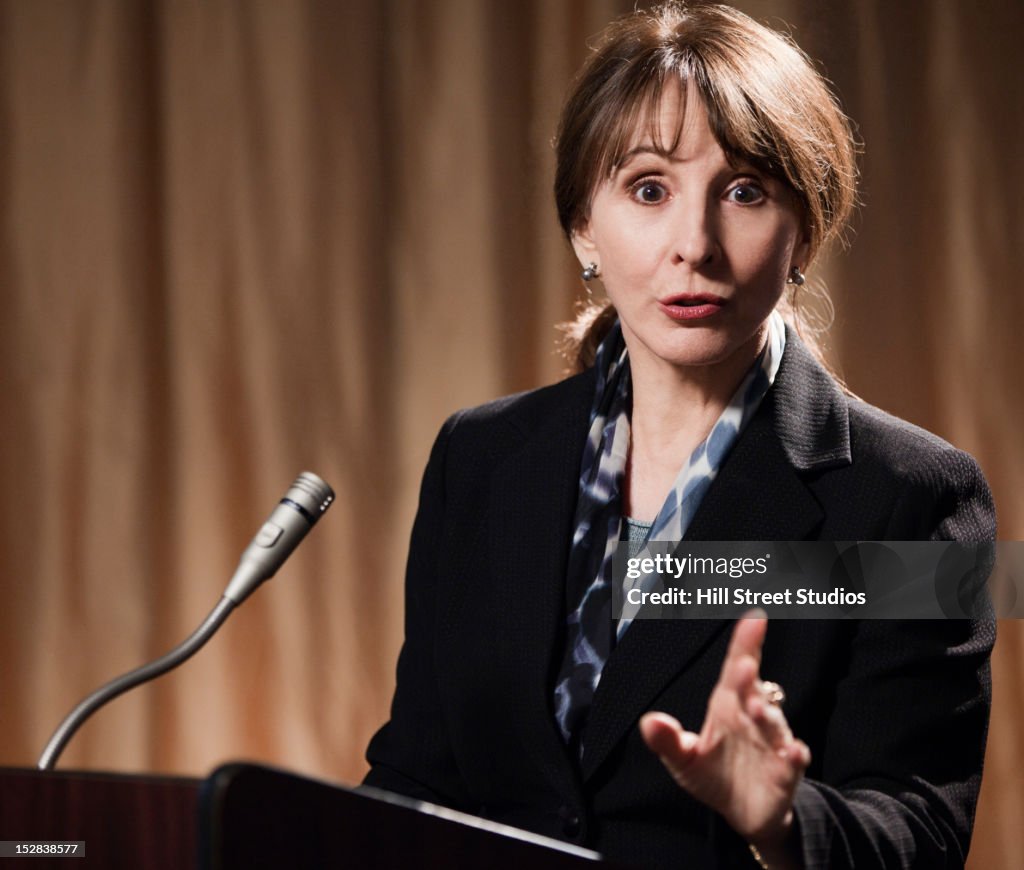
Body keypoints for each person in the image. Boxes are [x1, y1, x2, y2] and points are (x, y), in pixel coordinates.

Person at [363, 3, 995, 868]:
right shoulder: (478, 464)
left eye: (744, 192)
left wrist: (784, 820)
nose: (693, 244)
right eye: (649, 189)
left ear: (804, 228)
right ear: (585, 224)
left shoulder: (910, 498)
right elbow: (412, 785)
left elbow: (922, 831)